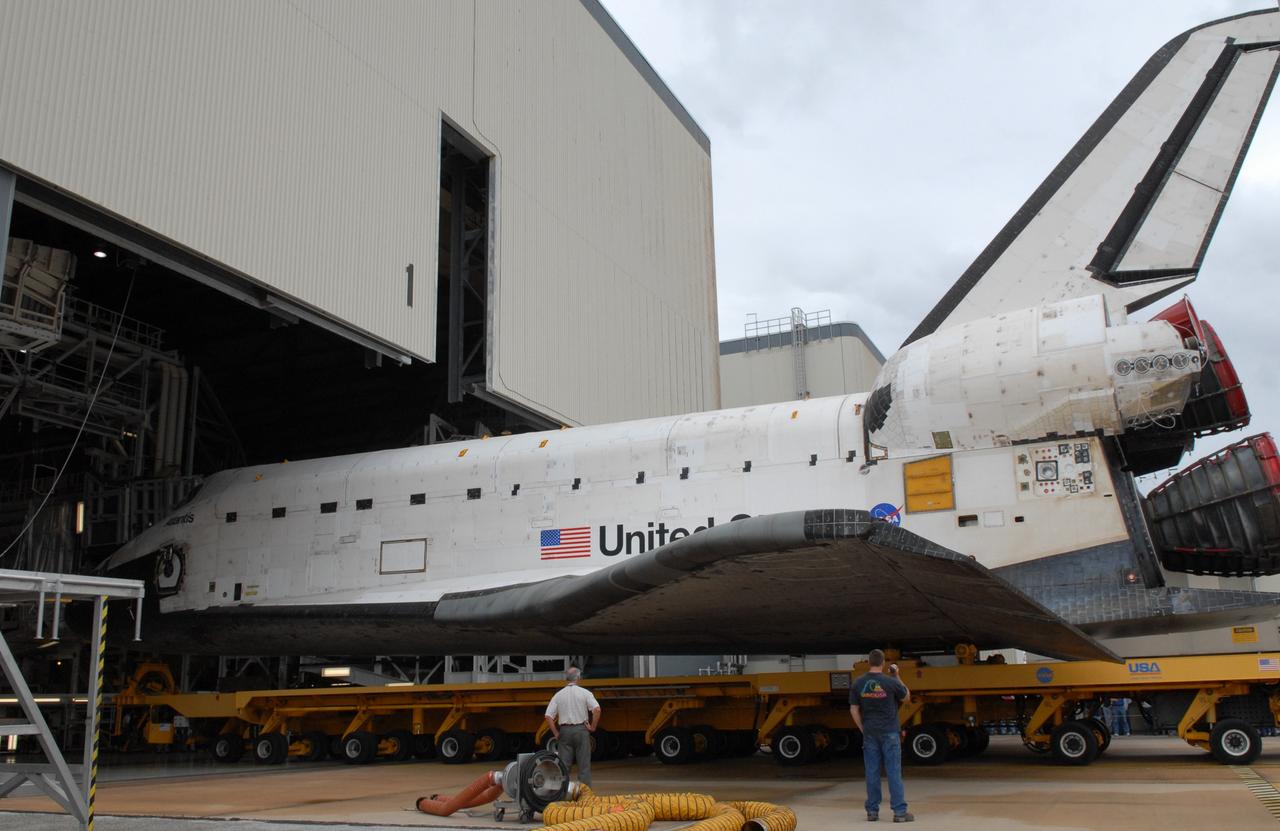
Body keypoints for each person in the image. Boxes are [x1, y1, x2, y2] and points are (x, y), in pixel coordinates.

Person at [850, 650, 913, 823]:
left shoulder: (859, 683)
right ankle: (899, 812)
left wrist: (862, 728)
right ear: (883, 663)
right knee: (893, 772)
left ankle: (872, 811)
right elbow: (907, 697)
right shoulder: (890, 682)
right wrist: (897, 675)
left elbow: (853, 709)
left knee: (872, 772)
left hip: (870, 732)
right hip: (890, 733)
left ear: (869, 662)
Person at [544, 665, 601, 785]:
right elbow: (597, 710)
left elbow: (548, 716)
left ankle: (563, 793)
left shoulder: (558, 695)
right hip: (581, 730)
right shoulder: (585, 693)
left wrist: (556, 733)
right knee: (584, 765)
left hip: (564, 731)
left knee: (564, 767)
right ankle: (585, 795)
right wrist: (593, 727)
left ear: (567, 678)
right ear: (578, 677)